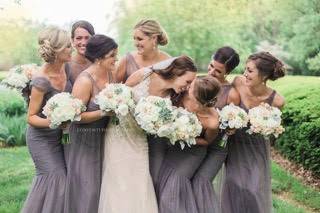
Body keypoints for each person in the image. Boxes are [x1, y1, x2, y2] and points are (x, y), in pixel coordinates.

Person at [98, 56, 197, 213]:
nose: (188, 86)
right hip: (119, 133)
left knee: (139, 181)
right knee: (118, 180)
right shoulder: (144, 74)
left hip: (139, 139)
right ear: (177, 73)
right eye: (187, 81)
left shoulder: (173, 96)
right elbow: (120, 95)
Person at [222, 51, 285, 213]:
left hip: (257, 148)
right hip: (235, 145)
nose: (244, 74)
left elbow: (274, 128)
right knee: (234, 184)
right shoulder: (238, 83)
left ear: (263, 75)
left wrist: (267, 125)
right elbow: (225, 101)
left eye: (250, 71)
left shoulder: (277, 100)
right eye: (245, 69)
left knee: (254, 190)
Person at [64, 35, 118, 213]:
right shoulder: (84, 81)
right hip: (84, 141)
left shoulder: (112, 73)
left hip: (106, 138)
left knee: (104, 187)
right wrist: (104, 111)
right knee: (88, 188)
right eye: (112, 55)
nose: (115, 59)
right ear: (98, 58)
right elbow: (75, 117)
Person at [22, 26, 72, 213]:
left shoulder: (67, 68)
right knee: (56, 177)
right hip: (41, 138)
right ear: (57, 51)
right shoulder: (41, 80)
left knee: (61, 179)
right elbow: (31, 117)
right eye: (67, 46)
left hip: (60, 137)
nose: (71, 48)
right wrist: (57, 122)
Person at [157, 75, 221, 213]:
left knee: (171, 194)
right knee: (163, 183)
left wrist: (184, 136)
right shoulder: (181, 96)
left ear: (197, 96)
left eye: (191, 86)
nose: (188, 86)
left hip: (192, 154)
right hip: (172, 150)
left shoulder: (212, 121)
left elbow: (207, 141)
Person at [192, 46, 240, 213]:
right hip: (194, 143)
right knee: (188, 179)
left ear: (227, 72)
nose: (211, 72)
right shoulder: (197, 82)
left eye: (218, 71)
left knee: (201, 181)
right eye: (211, 66)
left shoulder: (231, 93)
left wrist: (232, 126)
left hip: (217, 147)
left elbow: (235, 119)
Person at [69, 20, 95, 85]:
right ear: (72, 40)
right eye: (79, 38)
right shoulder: (66, 65)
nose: (83, 43)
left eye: (87, 38)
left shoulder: (98, 63)